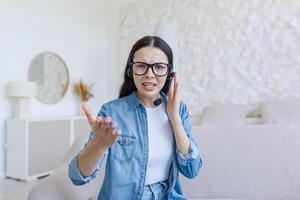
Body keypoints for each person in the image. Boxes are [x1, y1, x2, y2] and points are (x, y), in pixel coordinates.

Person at [69, 36, 202, 200]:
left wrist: (174, 117)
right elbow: (77, 177)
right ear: (130, 70)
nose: (149, 74)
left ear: (169, 73)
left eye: (159, 67)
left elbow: (192, 169)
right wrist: (98, 146)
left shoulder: (179, 109)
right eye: (141, 66)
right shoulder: (112, 111)